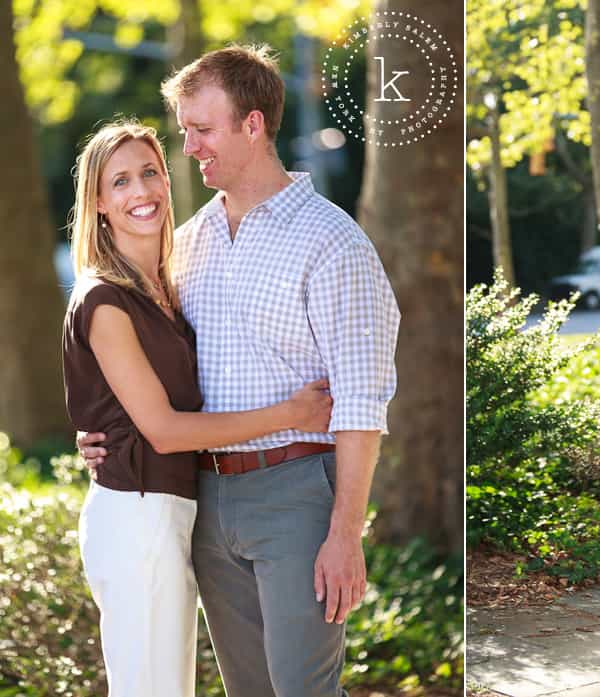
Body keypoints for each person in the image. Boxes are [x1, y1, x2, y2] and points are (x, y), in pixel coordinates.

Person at [79, 45, 400, 696]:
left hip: (296, 495)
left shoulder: (332, 242)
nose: (189, 147)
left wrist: (346, 533)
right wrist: (100, 431)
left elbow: (364, 402)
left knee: (303, 689)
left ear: (252, 126)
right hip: (205, 498)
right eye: (186, 131)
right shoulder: (190, 242)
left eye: (202, 128)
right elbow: (151, 375)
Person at [63, 120, 333, 697]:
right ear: (100, 204)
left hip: (172, 513)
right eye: (120, 182)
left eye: (150, 172)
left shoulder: (166, 281)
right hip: (138, 514)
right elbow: (161, 430)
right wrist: (291, 413)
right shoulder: (105, 299)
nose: (142, 192)